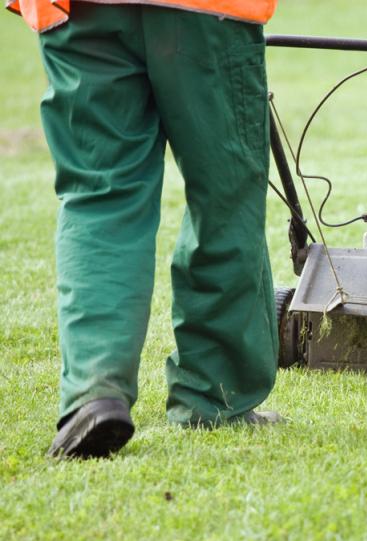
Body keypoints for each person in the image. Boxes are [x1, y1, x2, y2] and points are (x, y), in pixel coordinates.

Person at [7, 0, 283, 459]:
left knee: (99, 193)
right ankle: (215, 396)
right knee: (225, 194)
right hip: (203, 12)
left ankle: (94, 392)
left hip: (78, 11)